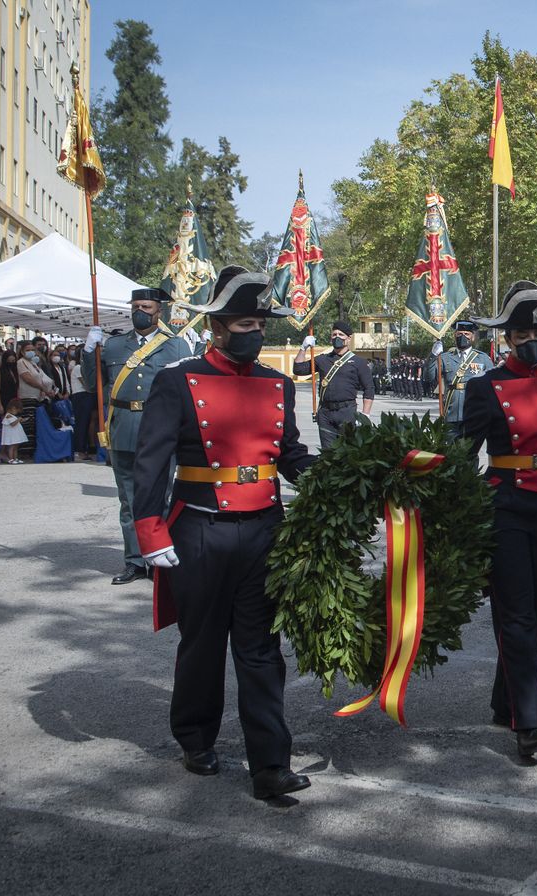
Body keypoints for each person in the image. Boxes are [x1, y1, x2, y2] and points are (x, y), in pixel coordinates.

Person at [132, 265, 317, 799]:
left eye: (260, 322)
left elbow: (290, 456)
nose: (255, 332)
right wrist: (150, 531)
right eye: (243, 323)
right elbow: (151, 463)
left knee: (262, 650)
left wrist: (340, 478)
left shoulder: (277, 384)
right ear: (217, 327)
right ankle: (195, 737)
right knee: (203, 644)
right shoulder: (178, 378)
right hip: (200, 527)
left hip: (264, 529)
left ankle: (270, 764)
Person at [462, 281, 537, 760]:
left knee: (533, 612)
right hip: (505, 506)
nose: (533, 339)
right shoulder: (484, 386)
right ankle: (530, 723)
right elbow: (463, 450)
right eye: (524, 332)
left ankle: (504, 701)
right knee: (514, 614)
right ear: (508, 336)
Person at [84, 287, 196, 585]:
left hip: (160, 429)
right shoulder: (113, 346)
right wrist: (88, 353)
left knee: (161, 496)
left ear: (159, 311)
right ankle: (134, 561)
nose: (139, 312)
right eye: (135, 306)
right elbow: (92, 384)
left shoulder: (176, 347)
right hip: (122, 428)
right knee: (128, 500)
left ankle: (159, 558)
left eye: (146, 307)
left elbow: (187, 391)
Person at [293, 320, 375, 448]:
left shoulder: (358, 362)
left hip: (347, 412)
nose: (337, 337)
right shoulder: (322, 359)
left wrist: (365, 414)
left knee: (348, 452)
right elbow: (298, 369)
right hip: (326, 413)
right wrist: (303, 348)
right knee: (328, 453)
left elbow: (369, 389)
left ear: (348, 339)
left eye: (341, 335)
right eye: (334, 334)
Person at [422, 321, 490, 438]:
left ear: (472, 337)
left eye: (466, 334)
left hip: (473, 412)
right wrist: (433, 355)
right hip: (451, 411)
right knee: (450, 451)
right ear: (454, 335)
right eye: (459, 334)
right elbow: (428, 377)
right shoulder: (444, 357)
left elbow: (492, 385)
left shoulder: (482, 358)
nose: (462, 337)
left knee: (470, 451)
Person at [0, 398, 27, 464]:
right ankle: (11, 459)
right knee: (11, 447)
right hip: (11, 436)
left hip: (15, 435)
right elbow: (12, 424)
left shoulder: (12, 416)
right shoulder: (8, 416)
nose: (16, 412)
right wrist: (18, 420)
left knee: (15, 447)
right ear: (13, 408)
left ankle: (15, 458)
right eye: (16, 410)